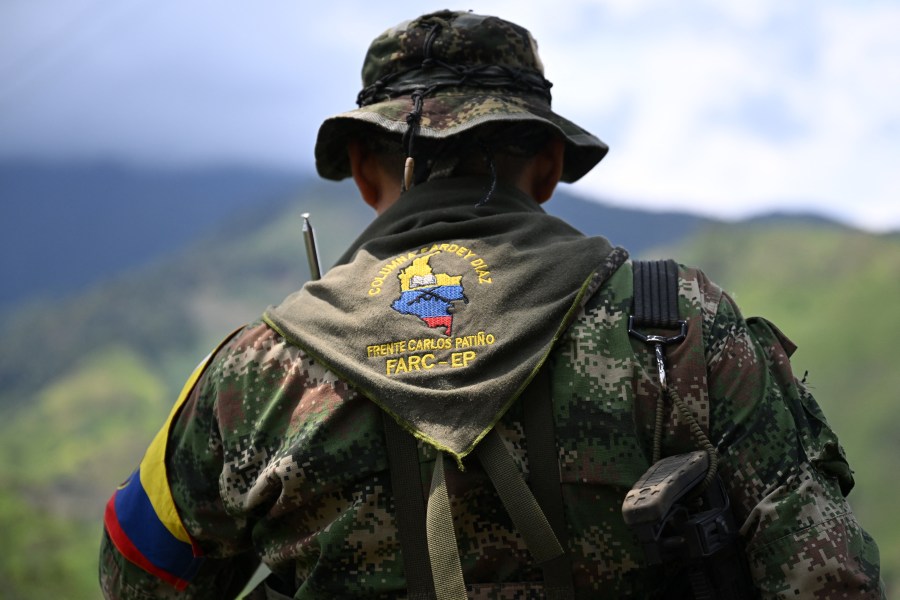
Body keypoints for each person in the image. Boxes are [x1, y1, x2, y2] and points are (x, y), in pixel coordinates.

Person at [99, 10, 885, 599]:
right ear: (547, 166)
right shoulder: (678, 324)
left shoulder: (256, 370)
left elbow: (134, 576)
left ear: (365, 172)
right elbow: (826, 576)